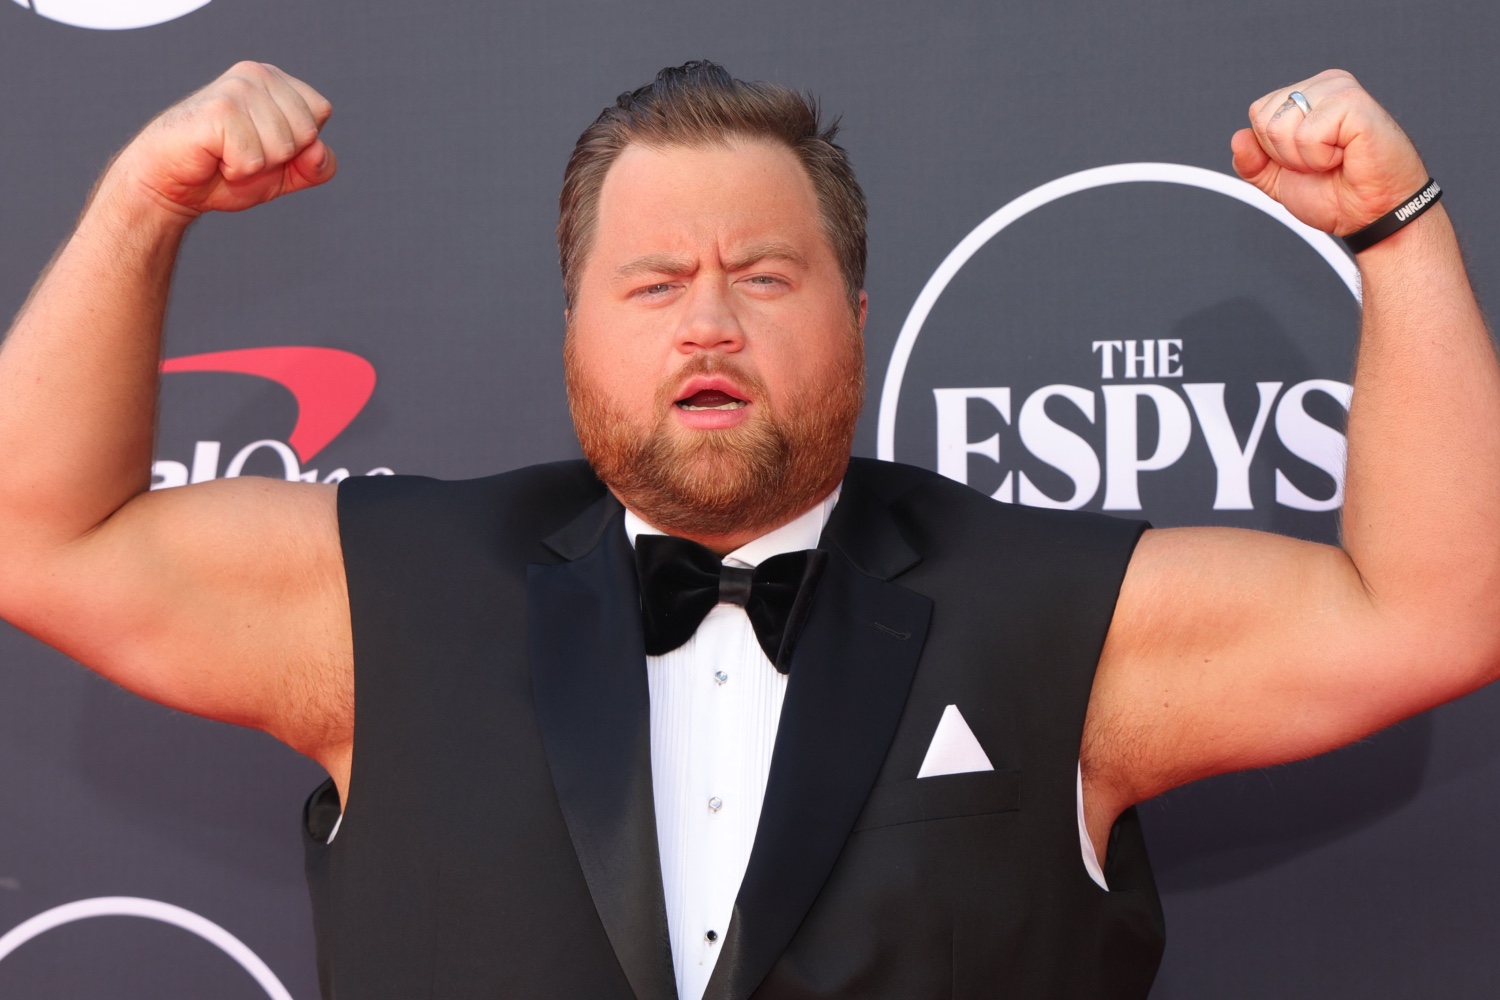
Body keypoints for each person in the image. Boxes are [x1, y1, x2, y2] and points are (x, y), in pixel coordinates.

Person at [0, 58, 1495, 999]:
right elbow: (41, 534)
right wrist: (142, 206)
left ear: (857, 317)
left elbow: (1434, 608)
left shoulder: (1050, 614)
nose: (707, 321)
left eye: (765, 277)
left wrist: (1400, 230)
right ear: (574, 329)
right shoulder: (387, 602)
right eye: (653, 283)